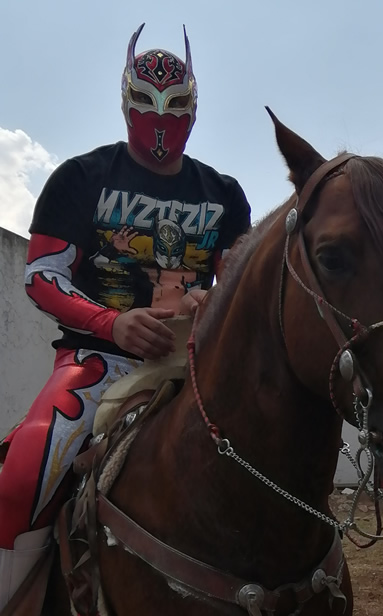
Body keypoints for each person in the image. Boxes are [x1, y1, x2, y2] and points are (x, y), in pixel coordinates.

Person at [0, 23, 251, 606]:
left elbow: (235, 283)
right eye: (147, 105)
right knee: (20, 481)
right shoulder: (81, 178)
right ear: (125, 102)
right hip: (94, 363)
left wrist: (208, 300)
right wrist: (112, 323)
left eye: (177, 107)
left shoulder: (224, 194)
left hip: (193, 364)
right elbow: (42, 275)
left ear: (194, 108)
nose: (162, 121)